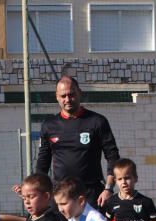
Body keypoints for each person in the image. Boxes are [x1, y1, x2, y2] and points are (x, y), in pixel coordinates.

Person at [31, 76, 120, 208]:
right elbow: (42, 163)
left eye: (71, 94)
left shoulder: (97, 121)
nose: (67, 99)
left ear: (80, 93)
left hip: (91, 194)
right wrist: (37, 191)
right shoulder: (49, 125)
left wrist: (108, 189)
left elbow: (113, 157)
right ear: (57, 97)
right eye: (63, 96)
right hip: (60, 195)